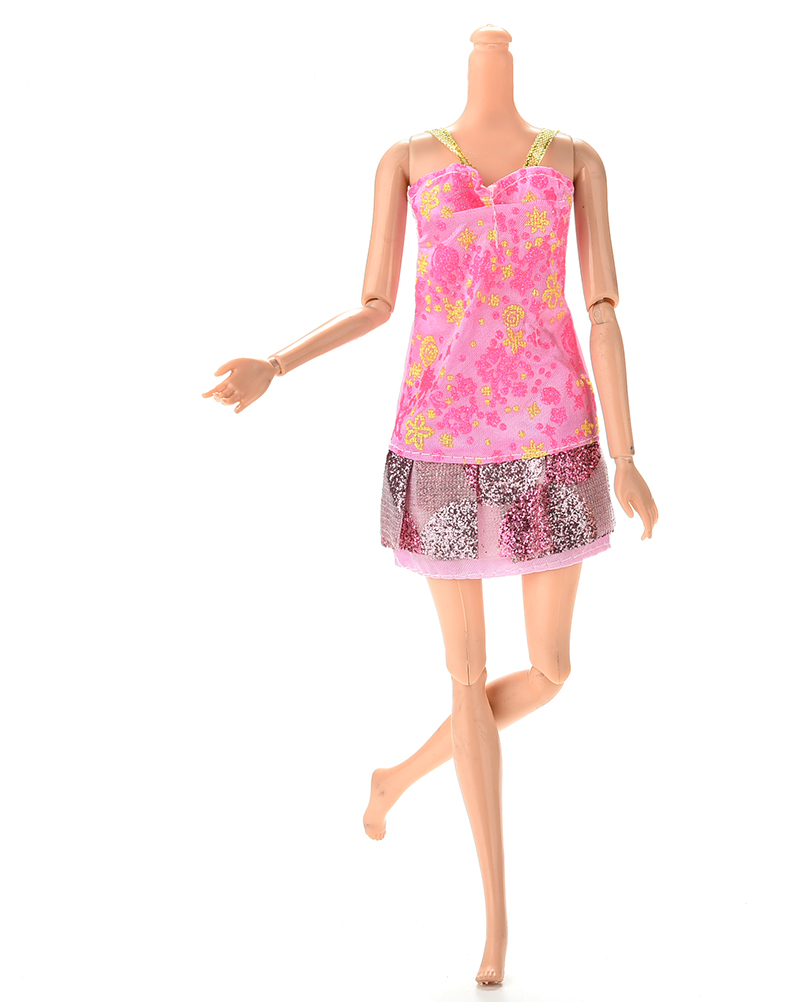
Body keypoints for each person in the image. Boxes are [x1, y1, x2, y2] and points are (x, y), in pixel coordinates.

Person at [202, 24, 657, 987]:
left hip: (554, 444)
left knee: (553, 668)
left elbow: (604, 308)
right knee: (467, 675)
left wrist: (627, 452)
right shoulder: (409, 159)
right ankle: (496, 928)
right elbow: (376, 303)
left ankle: (395, 779)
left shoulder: (575, 160)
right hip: (442, 445)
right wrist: (276, 364)